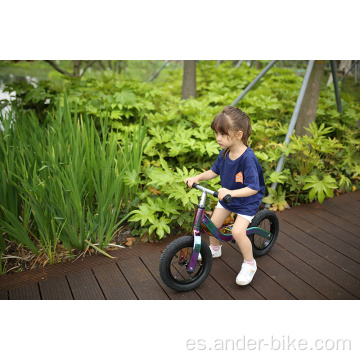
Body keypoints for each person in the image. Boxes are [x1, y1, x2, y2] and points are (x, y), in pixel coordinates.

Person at [184, 106, 265, 286]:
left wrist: (231, 192)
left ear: (238, 134)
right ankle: (214, 248)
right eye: (216, 133)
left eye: (222, 134)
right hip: (228, 198)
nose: (217, 138)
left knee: (237, 232)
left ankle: (250, 263)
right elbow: (213, 172)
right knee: (212, 224)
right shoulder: (225, 153)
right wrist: (197, 177)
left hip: (246, 202)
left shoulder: (247, 159)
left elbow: (254, 188)